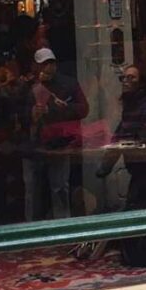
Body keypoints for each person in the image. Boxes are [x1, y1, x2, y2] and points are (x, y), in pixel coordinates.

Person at [21, 47, 88, 221]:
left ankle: (62, 225)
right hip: (33, 144)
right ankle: (32, 228)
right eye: (44, 64)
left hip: (58, 142)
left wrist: (59, 110)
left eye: (51, 63)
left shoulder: (68, 84)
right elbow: (16, 112)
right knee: (32, 189)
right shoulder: (27, 86)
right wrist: (31, 114)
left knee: (59, 186)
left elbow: (83, 109)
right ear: (35, 66)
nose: (48, 67)